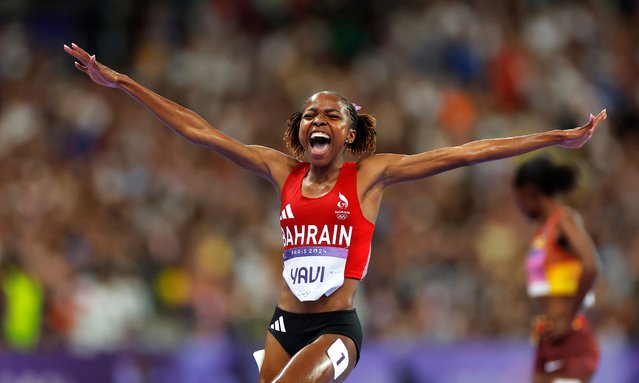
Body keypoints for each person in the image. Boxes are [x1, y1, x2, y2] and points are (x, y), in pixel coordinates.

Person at [64, 42, 607, 383]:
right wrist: (122, 83)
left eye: (330, 114)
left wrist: (555, 138)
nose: (316, 119)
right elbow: (197, 130)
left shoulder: (370, 175)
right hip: (282, 325)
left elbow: (467, 151)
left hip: (337, 329)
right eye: (309, 114)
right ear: (299, 131)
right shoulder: (282, 171)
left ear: (350, 131)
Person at [513, 157, 601, 383]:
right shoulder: (541, 231)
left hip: (571, 337)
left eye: (519, 199)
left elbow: (591, 265)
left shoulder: (564, 220)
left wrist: (568, 316)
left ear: (529, 191)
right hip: (547, 339)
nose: (519, 208)